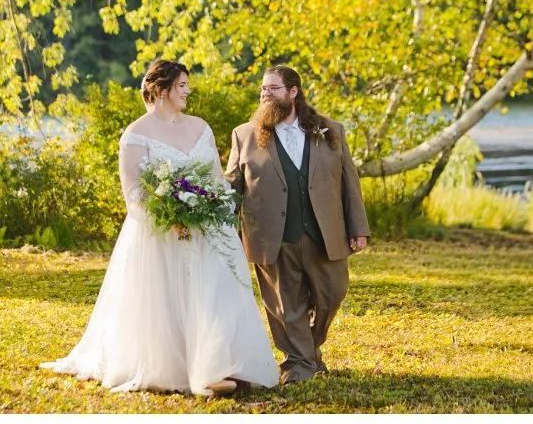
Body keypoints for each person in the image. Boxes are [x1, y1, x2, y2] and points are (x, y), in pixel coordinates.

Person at [41, 60, 278, 395]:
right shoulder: (136, 134)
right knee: (171, 301)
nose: (187, 91)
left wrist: (213, 205)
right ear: (160, 89)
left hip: (205, 229)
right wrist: (171, 215)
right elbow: (134, 194)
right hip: (160, 233)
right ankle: (181, 368)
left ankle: (222, 365)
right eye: (181, 85)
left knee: (215, 296)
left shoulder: (200, 127)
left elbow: (214, 179)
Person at [225, 65, 370, 385]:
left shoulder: (330, 130)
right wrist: (217, 223)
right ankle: (300, 364)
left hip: (324, 233)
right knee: (285, 305)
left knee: (332, 295)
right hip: (270, 235)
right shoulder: (244, 134)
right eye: (263, 89)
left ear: (293, 92)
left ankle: (306, 353)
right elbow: (232, 185)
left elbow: (349, 183)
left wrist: (358, 228)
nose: (265, 94)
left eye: (273, 89)